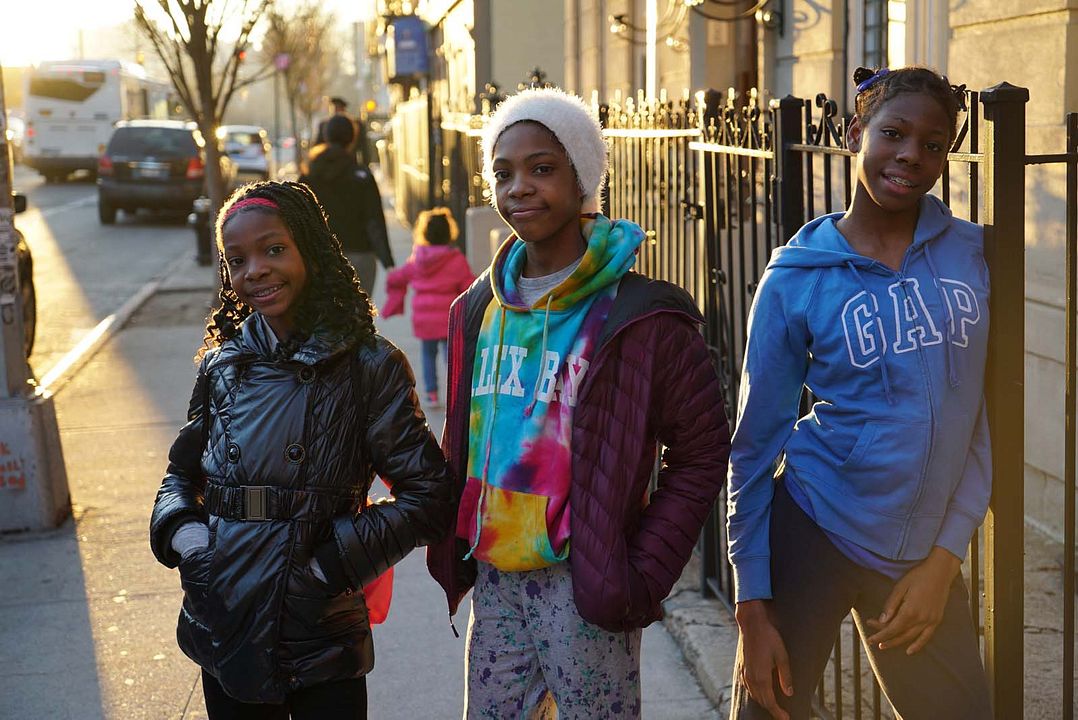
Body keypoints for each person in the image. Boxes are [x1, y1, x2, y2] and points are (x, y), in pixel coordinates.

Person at [425, 87, 731, 719]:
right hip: (495, 583)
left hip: (585, 583)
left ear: (582, 177)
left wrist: (642, 572)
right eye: (503, 173)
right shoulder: (475, 310)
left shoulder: (639, 315)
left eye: (542, 169)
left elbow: (701, 450)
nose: (520, 188)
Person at [726, 66, 992, 720]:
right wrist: (752, 608)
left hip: (920, 555)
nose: (911, 155)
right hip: (813, 526)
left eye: (934, 144)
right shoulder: (795, 277)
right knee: (771, 713)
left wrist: (944, 557)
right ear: (854, 134)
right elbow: (754, 446)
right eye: (894, 134)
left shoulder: (976, 255)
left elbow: (989, 417)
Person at [149, 181, 454, 719]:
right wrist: (190, 542)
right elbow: (180, 476)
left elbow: (429, 494)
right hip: (224, 614)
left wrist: (331, 564)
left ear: (308, 249)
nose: (256, 271)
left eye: (274, 249)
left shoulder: (368, 365)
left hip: (320, 627)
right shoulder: (222, 365)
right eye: (237, 260)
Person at [383, 206, 475, 408]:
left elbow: (398, 278)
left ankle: (432, 394)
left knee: (428, 355)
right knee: (450, 355)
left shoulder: (418, 259)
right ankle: (455, 390)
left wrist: (393, 292)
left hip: (424, 319)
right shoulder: (456, 259)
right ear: (450, 232)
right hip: (448, 316)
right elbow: (468, 284)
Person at [301, 115, 393, 294]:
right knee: (360, 315)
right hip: (360, 256)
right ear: (352, 139)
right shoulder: (362, 176)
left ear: (326, 136)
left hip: (321, 258)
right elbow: (374, 220)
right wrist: (387, 260)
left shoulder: (308, 176)